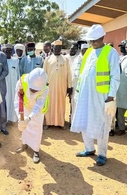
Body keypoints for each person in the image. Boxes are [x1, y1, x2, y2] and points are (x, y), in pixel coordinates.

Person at [70, 24, 120, 166]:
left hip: (102, 96)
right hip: (85, 95)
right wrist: (78, 91)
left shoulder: (111, 52)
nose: (93, 43)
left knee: (102, 124)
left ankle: (102, 154)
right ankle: (89, 148)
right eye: (91, 40)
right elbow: (82, 75)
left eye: (95, 40)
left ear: (102, 37)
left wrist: (111, 96)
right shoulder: (89, 53)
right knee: (86, 121)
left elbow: (115, 76)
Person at [14, 68, 49, 163]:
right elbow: (17, 100)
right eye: (32, 89)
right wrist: (19, 116)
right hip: (25, 106)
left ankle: (36, 151)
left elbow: (38, 106)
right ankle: (24, 144)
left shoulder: (45, 89)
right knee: (24, 128)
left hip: (37, 111)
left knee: (36, 130)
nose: (33, 91)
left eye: (36, 90)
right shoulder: (21, 82)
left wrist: (29, 118)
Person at [43, 39, 72, 129]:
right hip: (50, 86)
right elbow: (44, 73)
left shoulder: (65, 59)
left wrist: (69, 86)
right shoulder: (48, 59)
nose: (57, 49)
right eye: (56, 47)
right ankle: (48, 122)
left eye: (59, 47)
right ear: (52, 48)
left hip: (61, 86)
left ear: (61, 48)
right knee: (49, 103)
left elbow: (69, 73)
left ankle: (60, 123)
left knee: (61, 104)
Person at [3, 44, 20, 122]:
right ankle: (5, 119)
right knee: (6, 100)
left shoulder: (16, 60)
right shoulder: (2, 60)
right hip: (5, 84)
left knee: (13, 100)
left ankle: (13, 118)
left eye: (10, 51)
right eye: (6, 51)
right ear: (4, 51)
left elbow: (18, 74)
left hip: (13, 85)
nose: (8, 52)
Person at [116, 41, 127, 136]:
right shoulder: (120, 58)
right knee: (120, 110)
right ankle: (121, 128)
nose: (122, 48)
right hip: (120, 88)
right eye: (121, 47)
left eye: (123, 47)